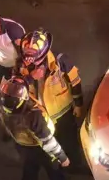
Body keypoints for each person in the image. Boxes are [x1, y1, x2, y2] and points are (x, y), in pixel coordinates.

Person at [17, 28, 86, 168]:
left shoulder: (61, 61)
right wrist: (30, 77)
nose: (29, 61)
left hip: (63, 113)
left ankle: (75, 165)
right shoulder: (20, 64)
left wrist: (78, 105)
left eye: (32, 57)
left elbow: (75, 81)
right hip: (41, 115)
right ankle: (58, 165)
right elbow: (16, 86)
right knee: (49, 145)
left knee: (69, 140)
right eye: (26, 56)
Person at [0, 76, 69, 180]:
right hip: (38, 146)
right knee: (53, 168)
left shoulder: (3, 106)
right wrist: (62, 157)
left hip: (21, 144)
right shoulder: (32, 115)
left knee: (30, 166)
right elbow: (47, 140)